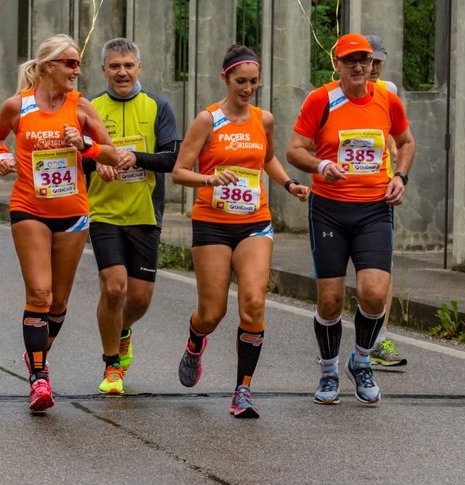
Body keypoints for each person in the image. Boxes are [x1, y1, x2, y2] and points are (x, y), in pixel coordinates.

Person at [172, 44, 309, 418]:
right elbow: (180, 171)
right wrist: (210, 178)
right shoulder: (208, 119)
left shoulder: (263, 119)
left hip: (254, 221)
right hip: (213, 225)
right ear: (225, 79)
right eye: (240, 82)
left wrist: (288, 184)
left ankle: (242, 390)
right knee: (212, 313)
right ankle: (196, 339)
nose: (247, 89)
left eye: (253, 82)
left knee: (253, 301)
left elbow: (266, 158)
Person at [0, 34, 117, 412]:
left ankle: (36, 353)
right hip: (29, 207)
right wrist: (0, 158)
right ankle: (40, 378)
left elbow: (109, 150)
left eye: (78, 63)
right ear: (47, 67)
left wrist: (86, 148)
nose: (77, 70)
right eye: (70, 63)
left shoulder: (81, 108)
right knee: (40, 294)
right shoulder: (19, 106)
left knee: (59, 301)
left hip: (73, 212)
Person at [286, 33, 415, 406]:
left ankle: (360, 361)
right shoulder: (321, 99)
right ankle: (328, 370)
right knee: (330, 299)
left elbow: (406, 141)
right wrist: (321, 164)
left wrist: (400, 176)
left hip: (375, 208)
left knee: (374, 294)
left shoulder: (387, 99)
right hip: (329, 207)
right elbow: (295, 150)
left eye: (365, 59)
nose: (359, 66)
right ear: (337, 65)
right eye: (351, 60)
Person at [86, 38, 181, 395]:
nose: (122, 72)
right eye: (114, 66)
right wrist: (96, 161)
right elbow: (76, 155)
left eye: (128, 65)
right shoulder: (90, 106)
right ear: (104, 70)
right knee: (114, 287)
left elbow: (173, 159)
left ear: (139, 67)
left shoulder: (158, 106)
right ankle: (112, 365)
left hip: (144, 214)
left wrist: (135, 158)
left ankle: (121, 331)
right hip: (104, 212)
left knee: (138, 299)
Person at [363, 34, 406, 367]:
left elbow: (398, 132)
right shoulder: (333, 94)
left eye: (378, 61)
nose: (373, 67)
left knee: (383, 270)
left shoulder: (388, 91)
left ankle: (379, 339)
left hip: (381, 194)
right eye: (368, 60)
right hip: (343, 196)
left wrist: (397, 174)